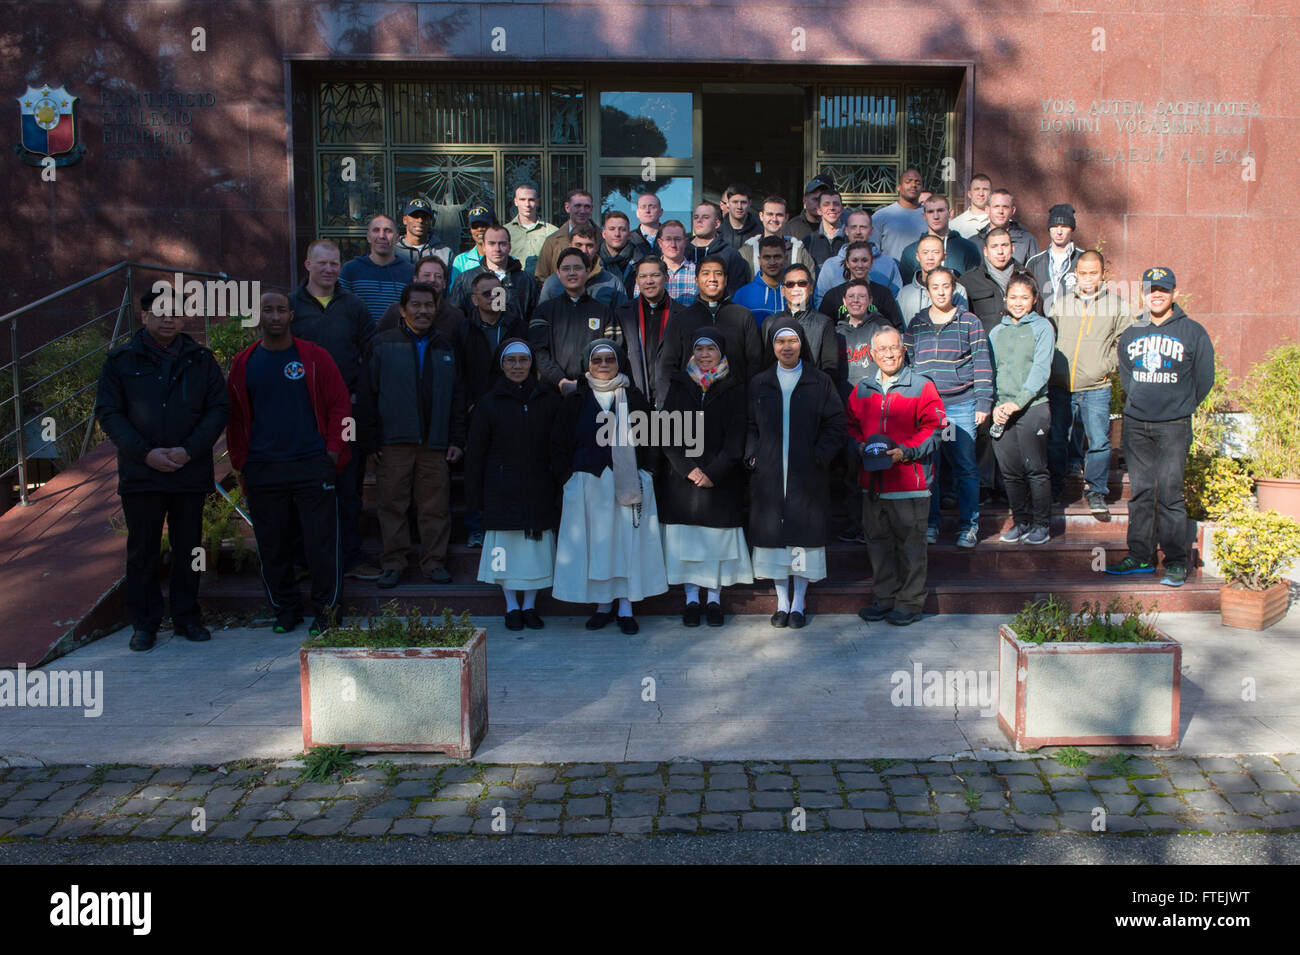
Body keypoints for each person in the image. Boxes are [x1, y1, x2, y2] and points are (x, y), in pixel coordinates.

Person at [94, 290, 229, 651]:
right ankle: (145, 623)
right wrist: (145, 453)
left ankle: (187, 616)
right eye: (160, 312)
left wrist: (189, 450)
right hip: (142, 473)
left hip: (188, 470)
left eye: (176, 313)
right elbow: (109, 413)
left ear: (184, 319)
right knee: (143, 551)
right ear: (144, 316)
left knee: (190, 549)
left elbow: (218, 408)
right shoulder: (120, 360)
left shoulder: (201, 360)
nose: (168, 319)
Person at [226, 289, 351, 635]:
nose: (276, 316)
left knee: (320, 545)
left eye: (282, 310)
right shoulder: (244, 362)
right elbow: (234, 418)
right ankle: (285, 610)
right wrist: (241, 462)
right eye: (268, 310)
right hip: (264, 468)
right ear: (259, 316)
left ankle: (328, 612)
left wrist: (333, 451)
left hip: (312, 464)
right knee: (272, 545)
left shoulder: (314, 357)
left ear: (291, 315)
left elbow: (341, 405)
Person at [1107, 268, 1215, 587]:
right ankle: (1140, 556)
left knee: (1169, 493)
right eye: (1152, 290)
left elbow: (1204, 378)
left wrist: (1179, 405)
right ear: (1143, 293)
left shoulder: (1193, 332)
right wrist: (1142, 400)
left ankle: (1175, 561)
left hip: (1174, 425)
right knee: (1141, 492)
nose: (1157, 294)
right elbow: (1126, 375)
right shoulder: (1132, 332)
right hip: (1137, 423)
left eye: (1163, 290)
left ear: (1174, 294)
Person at [552, 339, 668, 634]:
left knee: (626, 545)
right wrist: (568, 477)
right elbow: (558, 443)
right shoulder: (576, 399)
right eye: (597, 360)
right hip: (588, 483)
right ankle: (603, 605)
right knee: (599, 546)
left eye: (609, 359)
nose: (603, 365)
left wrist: (649, 472)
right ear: (587, 364)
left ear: (619, 363)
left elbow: (653, 437)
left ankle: (626, 606)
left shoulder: (634, 397)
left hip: (627, 481)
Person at [359, 282, 467, 588]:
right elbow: (367, 395)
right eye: (416, 305)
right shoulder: (382, 344)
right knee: (392, 505)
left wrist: (457, 439)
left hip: (435, 443)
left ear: (436, 308)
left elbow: (458, 397)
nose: (423, 311)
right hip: (394, 442)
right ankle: (393, 563)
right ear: (402, 310)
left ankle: (434, 563)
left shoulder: (446, 347)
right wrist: (369, 440)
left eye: (428, 305)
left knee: (435, 507)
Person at [289, 238, 379, 581]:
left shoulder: (354, 306)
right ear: (308, 265)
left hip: (347, 417)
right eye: (322, 263)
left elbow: (369, 354)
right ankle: (302, 562)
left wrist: (357, 397)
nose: (329, 269)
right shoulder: (289, 306)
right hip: (302, 414)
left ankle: (352, 558)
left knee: (348, 485)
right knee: (302, 488)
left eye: (335, 263)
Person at [745, 324, 846, 628]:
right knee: (776, 542)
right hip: (770, 471)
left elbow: (836, 423)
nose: (786, 347)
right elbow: (749, 424)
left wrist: (820, 454)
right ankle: (782, 601)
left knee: (801, 539)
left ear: (802, 344)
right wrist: (752, 454)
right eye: (780, 342)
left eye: (792, 341)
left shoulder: (819, 381)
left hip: (807, 472)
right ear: (772, 347)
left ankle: (799, 602)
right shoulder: (760, 382)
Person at [846, 324, 946, 626]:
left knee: (911, 549)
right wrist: (858, 446)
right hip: (873, 485)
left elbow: (935, 429)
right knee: (878, 545)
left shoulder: (921, 386)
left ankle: (909, 604)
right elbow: (849, 426)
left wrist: (906, 451)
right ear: (873, 355)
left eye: (894, 348)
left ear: (904, 350)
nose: (889, 354)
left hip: (909, 485)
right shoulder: (862, 389)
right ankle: (884, 598)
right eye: (882, 350)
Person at [658, 327, 754, 626]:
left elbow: (737, 436)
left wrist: (714, 472)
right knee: (689, 548)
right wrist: (688, 469)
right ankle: (691, 600)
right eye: (699, 350)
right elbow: (666, 433)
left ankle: (713, 600)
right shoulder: (678, 385)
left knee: (715, 547)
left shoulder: (735, 387)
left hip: (720, 480)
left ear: (721, 353)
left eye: (710, 349)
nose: (704, 355)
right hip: (683, 480)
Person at [465, 339, 562, 630]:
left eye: (523, 360)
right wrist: (475, 497)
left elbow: (557, 445)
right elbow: (476, 453)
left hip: (538, 485)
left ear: (531, 363)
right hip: (501, 487)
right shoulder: (488, 402)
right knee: (505, 554)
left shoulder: (547, 399)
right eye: (511, 361)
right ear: (501, 364)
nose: (517, 366)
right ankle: (511, 606)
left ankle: (530, 606)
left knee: (534, 553)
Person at [904, 267, 993, 548]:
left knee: (965, 467)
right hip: (927, 409)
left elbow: (981, 362)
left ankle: (968, 525)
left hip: (960, 406)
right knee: (930, 467)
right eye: (935, 287)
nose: (941, 292)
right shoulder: (917, 323)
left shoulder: (969, 322)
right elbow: (907, 363)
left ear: (953, 288)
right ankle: (931, 524)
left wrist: (983, 402)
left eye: (946, 286)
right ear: (927, 291)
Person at [1047, 250, 1133, 515]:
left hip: (1096, 387)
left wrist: (1108, 364)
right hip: (1061, 386)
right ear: (1076, 274)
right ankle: (1054, 487)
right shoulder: (1062, 303)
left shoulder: (1117, 305)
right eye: (1082, 273)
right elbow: (1048, 336)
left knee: (1098, 442)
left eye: (1093, 273)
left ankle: (1096, 491)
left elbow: (1127, 342)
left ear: (1103, 274)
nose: (1087, 278)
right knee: (1058, 438)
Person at [988, 272, 1056, 546]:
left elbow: (1041, 369)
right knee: (1010, 471)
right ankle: (1021, 521)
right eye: (1013, 297)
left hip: (1033, 408)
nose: (1018, 303)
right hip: (1002, 410)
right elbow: (990, 371)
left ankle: (1041, 525)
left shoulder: (1042, 328)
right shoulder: (996, 331)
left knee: (1035, 469)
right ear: (1005, 299)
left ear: (1034, 299)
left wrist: (1019, 400)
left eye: (1024, 298)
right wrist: (995, 406)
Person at [832, 279, 897, 542]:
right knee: (850, 472)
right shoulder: (836, 331)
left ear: (870, 300)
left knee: (878, 469)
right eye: (851, 296)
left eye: (861, 296)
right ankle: (854, 526)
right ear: (844, 302)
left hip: (877, 410)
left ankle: (880, 526)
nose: (856, 300)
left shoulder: (881, 329)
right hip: (846, 411)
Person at [658, 256, 763, 402]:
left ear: (726, 280)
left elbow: (754, 363)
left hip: (735, 406)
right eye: (706, 273)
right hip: (691, 405)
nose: (712, 278)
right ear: (696, 280)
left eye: (718, 274)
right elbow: (668, 366)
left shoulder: (743, 316)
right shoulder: (681, 319)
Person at [530, 247, 626, 395]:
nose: (572, 273)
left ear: (588, 271)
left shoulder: (604, 312)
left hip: (594, 392)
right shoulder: (543, 311)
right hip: (551, 393)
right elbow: (539, 352)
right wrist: (560, 381)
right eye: (566, 268)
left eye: (577, 268)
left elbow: (613, 350)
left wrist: (585, 382)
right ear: (558, 273)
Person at [616, 256, 688, 409]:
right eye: (643, 276)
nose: (649, 281)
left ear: (666, 278)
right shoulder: (623, 314)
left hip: (674, 401)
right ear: (636, 280)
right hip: (634, 400)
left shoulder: (683, 315)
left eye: (655, 275)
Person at [447, 223, 539, 321]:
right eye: (492, 243)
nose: (497, 249)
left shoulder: (526, 280)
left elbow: (535, 317)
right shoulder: (466, 279)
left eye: (502, 244)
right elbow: (455, 316)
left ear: (509, 247)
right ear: (484, 248)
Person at [760, 263, 838, 376]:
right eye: (790, 284)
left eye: (802, 283)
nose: (796, 289)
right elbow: (764, 365)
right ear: (782, 290)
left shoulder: (824, 323)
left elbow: (830, 368)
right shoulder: (769, 323)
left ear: (811, 289)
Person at [814, 209, 903, 302]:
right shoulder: (831, 265)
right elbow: (820, 299)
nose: (858, 232)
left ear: (871, 230)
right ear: (846, 230)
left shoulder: (888, 264)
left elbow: (897, 299)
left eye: (863, 227)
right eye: (853, 227)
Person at [338, 215, 415, 321]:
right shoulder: (350, 270)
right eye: (376, 230)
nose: (382, 236)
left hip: (396, 336)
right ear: (368, 237)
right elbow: (341, 312)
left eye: (388, 231)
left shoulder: (410, 272)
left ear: (397, 238)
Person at [817, 240, 905, 330]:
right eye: (854, 260)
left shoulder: (884, 294)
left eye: (864, 260)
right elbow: (823, 329)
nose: (860, 265)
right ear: (847, 263)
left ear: (871, 262)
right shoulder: (832, 296)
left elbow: (896, 327)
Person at [538, 223, 631, 308]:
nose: (584, 251)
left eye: (589, 246)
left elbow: (621, 319)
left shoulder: (613, 283)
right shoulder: (553, 283)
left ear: (596, 248)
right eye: (579, 245)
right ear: (569, 246)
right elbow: (542, 317)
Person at [897, 194, 983, 283]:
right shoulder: (911, 251)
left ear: (950, 213)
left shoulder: (967, 248)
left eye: (940, 211)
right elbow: (907, 289)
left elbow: (975, 285)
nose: (936, 217)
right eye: (930, 212)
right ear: (924, 216)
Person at [377, 255, 464, 336]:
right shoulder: (395, 311)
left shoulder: (456, 316)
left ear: (444, 283)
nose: (432, 280)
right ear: (415, 279)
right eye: (426, 275)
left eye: (438, 276)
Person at [897, 234, 970, 324]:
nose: (930, 257)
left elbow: (963, 325)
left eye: (935, 252)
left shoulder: (958, 290)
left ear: (944, 256)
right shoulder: (905, 293)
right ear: (917, 256)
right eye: (925, 252)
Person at [739, 195, 815, 279]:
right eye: (770, 214)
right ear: (761, 216)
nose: (774, 219)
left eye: (779, 215)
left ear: (786, 217)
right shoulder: (747, 251)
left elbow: (810, 284)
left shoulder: (799, 252)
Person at [1025, 204, 1082, 316]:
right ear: (1049, 228)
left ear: (1072, 229)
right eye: (1055, 226)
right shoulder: (1034, 263)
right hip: (1042, 325)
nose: (1059, 231)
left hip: (1074, 326)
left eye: (1064, 226)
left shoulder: (1083, 259)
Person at [959, 227, 1017, 335]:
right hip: (985, 348)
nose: (1000, 251)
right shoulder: (969, 281)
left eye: (1004, 245)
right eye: (994, 246)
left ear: (1012, 248)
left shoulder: (1025, 276)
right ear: (985, 251)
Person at [534, 189, 597, 281]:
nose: (582, 211)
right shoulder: (552, 241)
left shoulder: (603, 238)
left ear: (591, 209)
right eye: (577, 206)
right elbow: (541, 277)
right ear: (567, 207)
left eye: (586, 206)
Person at [687, 202, 750, 292]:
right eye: (696, 217)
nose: (699, 220)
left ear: (717, 224)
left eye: (705, 217)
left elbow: (735, 292)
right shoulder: (682, 251)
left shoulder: (730, 254)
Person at [733, 234, 790, 328]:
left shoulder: (796, 291)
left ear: (786, 259)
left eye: (777, 257)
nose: (772, 262)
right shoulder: (743, 294)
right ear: (759, 260)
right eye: (767, 257)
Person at [872, 167, 926, 260]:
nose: (913, 185)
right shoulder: (881, 216)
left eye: (918, 183)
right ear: (899, 187)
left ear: (922, 188)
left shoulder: (930, 216)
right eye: (908, 181)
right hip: (890, 272)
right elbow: (872, 250)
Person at [504, 182, 557, 276]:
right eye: (522, 199)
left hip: (542, 286)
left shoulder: (552, 232)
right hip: (513, 284)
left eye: (531, 200)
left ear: (537, 202)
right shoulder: (505, 232)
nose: (527, 204)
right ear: (515, 201)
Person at [976, 189, 1039, 265]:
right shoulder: (974, 242)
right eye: (996, 206)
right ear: (987, 209)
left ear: (1012, 210)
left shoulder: (1027, 241)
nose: (1000, 211)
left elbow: (1036, 273)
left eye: (1005, 207)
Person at [597, 210, 646, 299]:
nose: (617, 234)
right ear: (604, 234)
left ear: (629, 235)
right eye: (612, 229)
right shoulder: (593, 261)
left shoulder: (641, 262)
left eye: (622, 229)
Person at [395, 198, 452, 267]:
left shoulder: (444, 253)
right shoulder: (393, 251)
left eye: (424, 217)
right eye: (415, 216)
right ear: (404, 220)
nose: (420, 220)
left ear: (430, 222)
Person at [449, 203, 496, 285]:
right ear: (470, 229)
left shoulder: (505, 259)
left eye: (484, 225)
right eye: (475, 226)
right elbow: (454, 293)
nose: (480, 229)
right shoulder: (461, 261)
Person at [655, 219, 696, 305]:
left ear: (685, 242)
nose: (673, 245)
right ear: (660, 243)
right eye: (668, 239)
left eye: (677, 239)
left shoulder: (697, 272)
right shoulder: (650, 272)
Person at [806, 190, 847, 271]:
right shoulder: (808, 242)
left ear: (842, 209)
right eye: (826, 204)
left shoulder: (851, 240)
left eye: (836, 204)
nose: (831, 208)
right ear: (819, 210)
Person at [784, 174, 833, 242]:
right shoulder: (792, 227)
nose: (819, 204)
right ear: (805, 200)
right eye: (815, 199)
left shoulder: (833, 225)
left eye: (822, 200)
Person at [719, 183, 762, 250]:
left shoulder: (760, 234)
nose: (739, 207)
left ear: (750, 203)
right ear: (727, 203)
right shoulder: (717, 232)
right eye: (735, 202)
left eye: (743, 202)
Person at [950, 173, 992, 239]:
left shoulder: (1000, 221)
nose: (981, 194)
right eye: (977, 189)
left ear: (991, 194)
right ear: (969, 194)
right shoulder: (954, 225)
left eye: (985, 189)